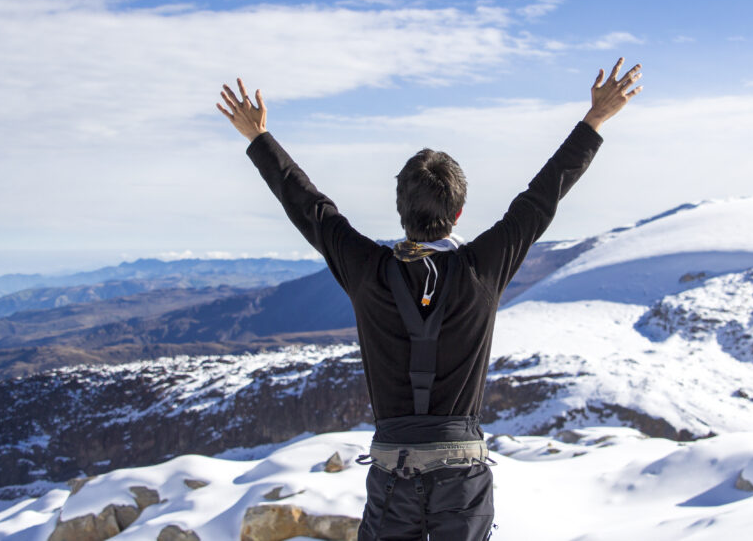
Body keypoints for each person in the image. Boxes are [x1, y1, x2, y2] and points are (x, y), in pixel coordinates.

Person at [216, 58, 643, 540]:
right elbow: (541, 198)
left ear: (400, 211)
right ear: (459, 211)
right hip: (462, 482)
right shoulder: (482, 268)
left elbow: (311, 209)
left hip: (392, 481)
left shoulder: (368, 270)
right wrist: (594, 120)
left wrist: (259, 138)